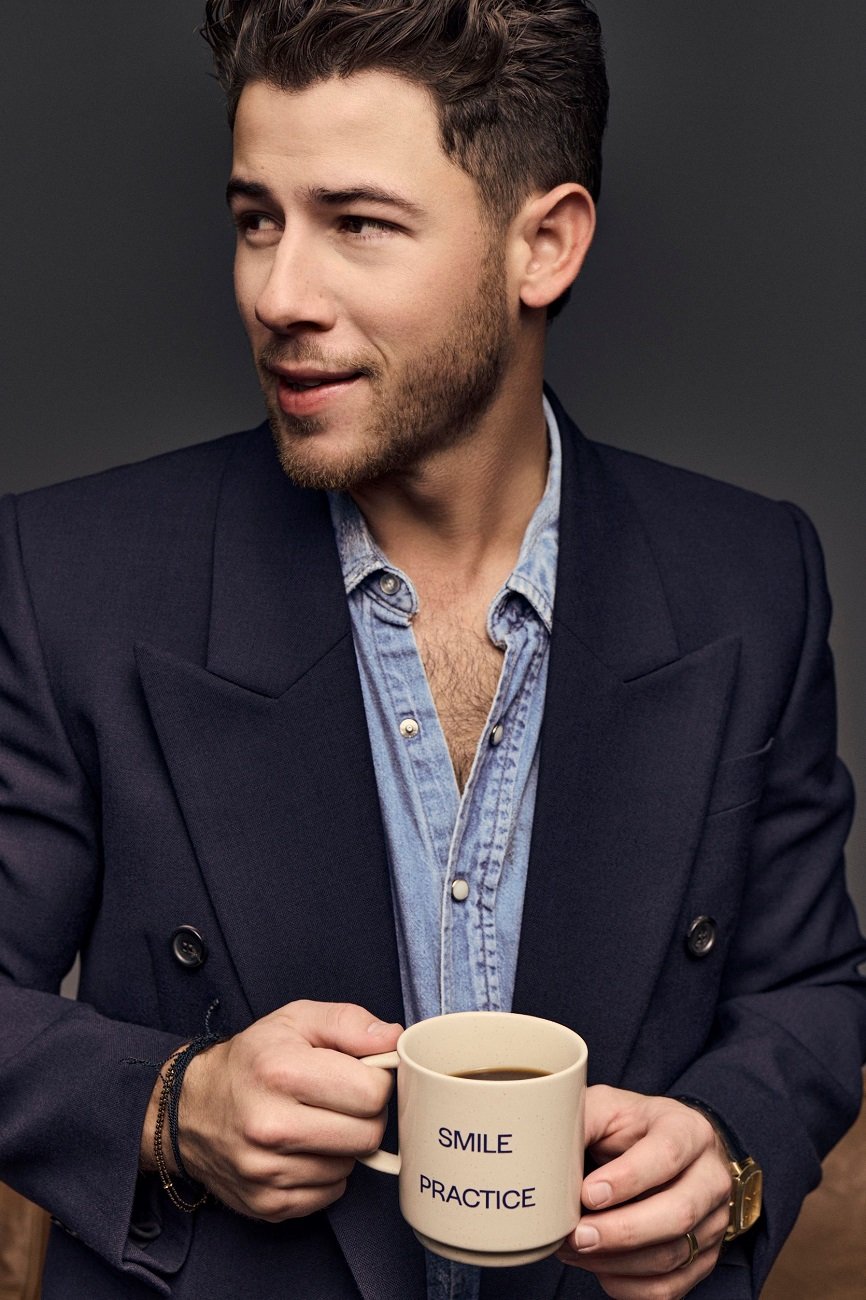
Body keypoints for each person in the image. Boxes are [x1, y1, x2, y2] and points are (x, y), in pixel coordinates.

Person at [0, 2, 864, 1297]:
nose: (278, 295)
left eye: (356, 223)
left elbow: (808, 987)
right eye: (256, 219)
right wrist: (170, 1105)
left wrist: (727, 1154)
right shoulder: (71, 574)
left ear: (543, 245)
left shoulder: (749, 577)